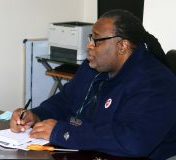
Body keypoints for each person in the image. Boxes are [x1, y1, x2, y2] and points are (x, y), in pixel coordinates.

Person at [10, 9, 176, 159]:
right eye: (91, 38)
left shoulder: (157, 83)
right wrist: (35, 115)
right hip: (89, 152)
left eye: (97, 40)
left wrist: (63, 132)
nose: (89, 46)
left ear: (122, 46)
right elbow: (65, 101)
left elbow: (134, 141)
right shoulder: (94, 67)